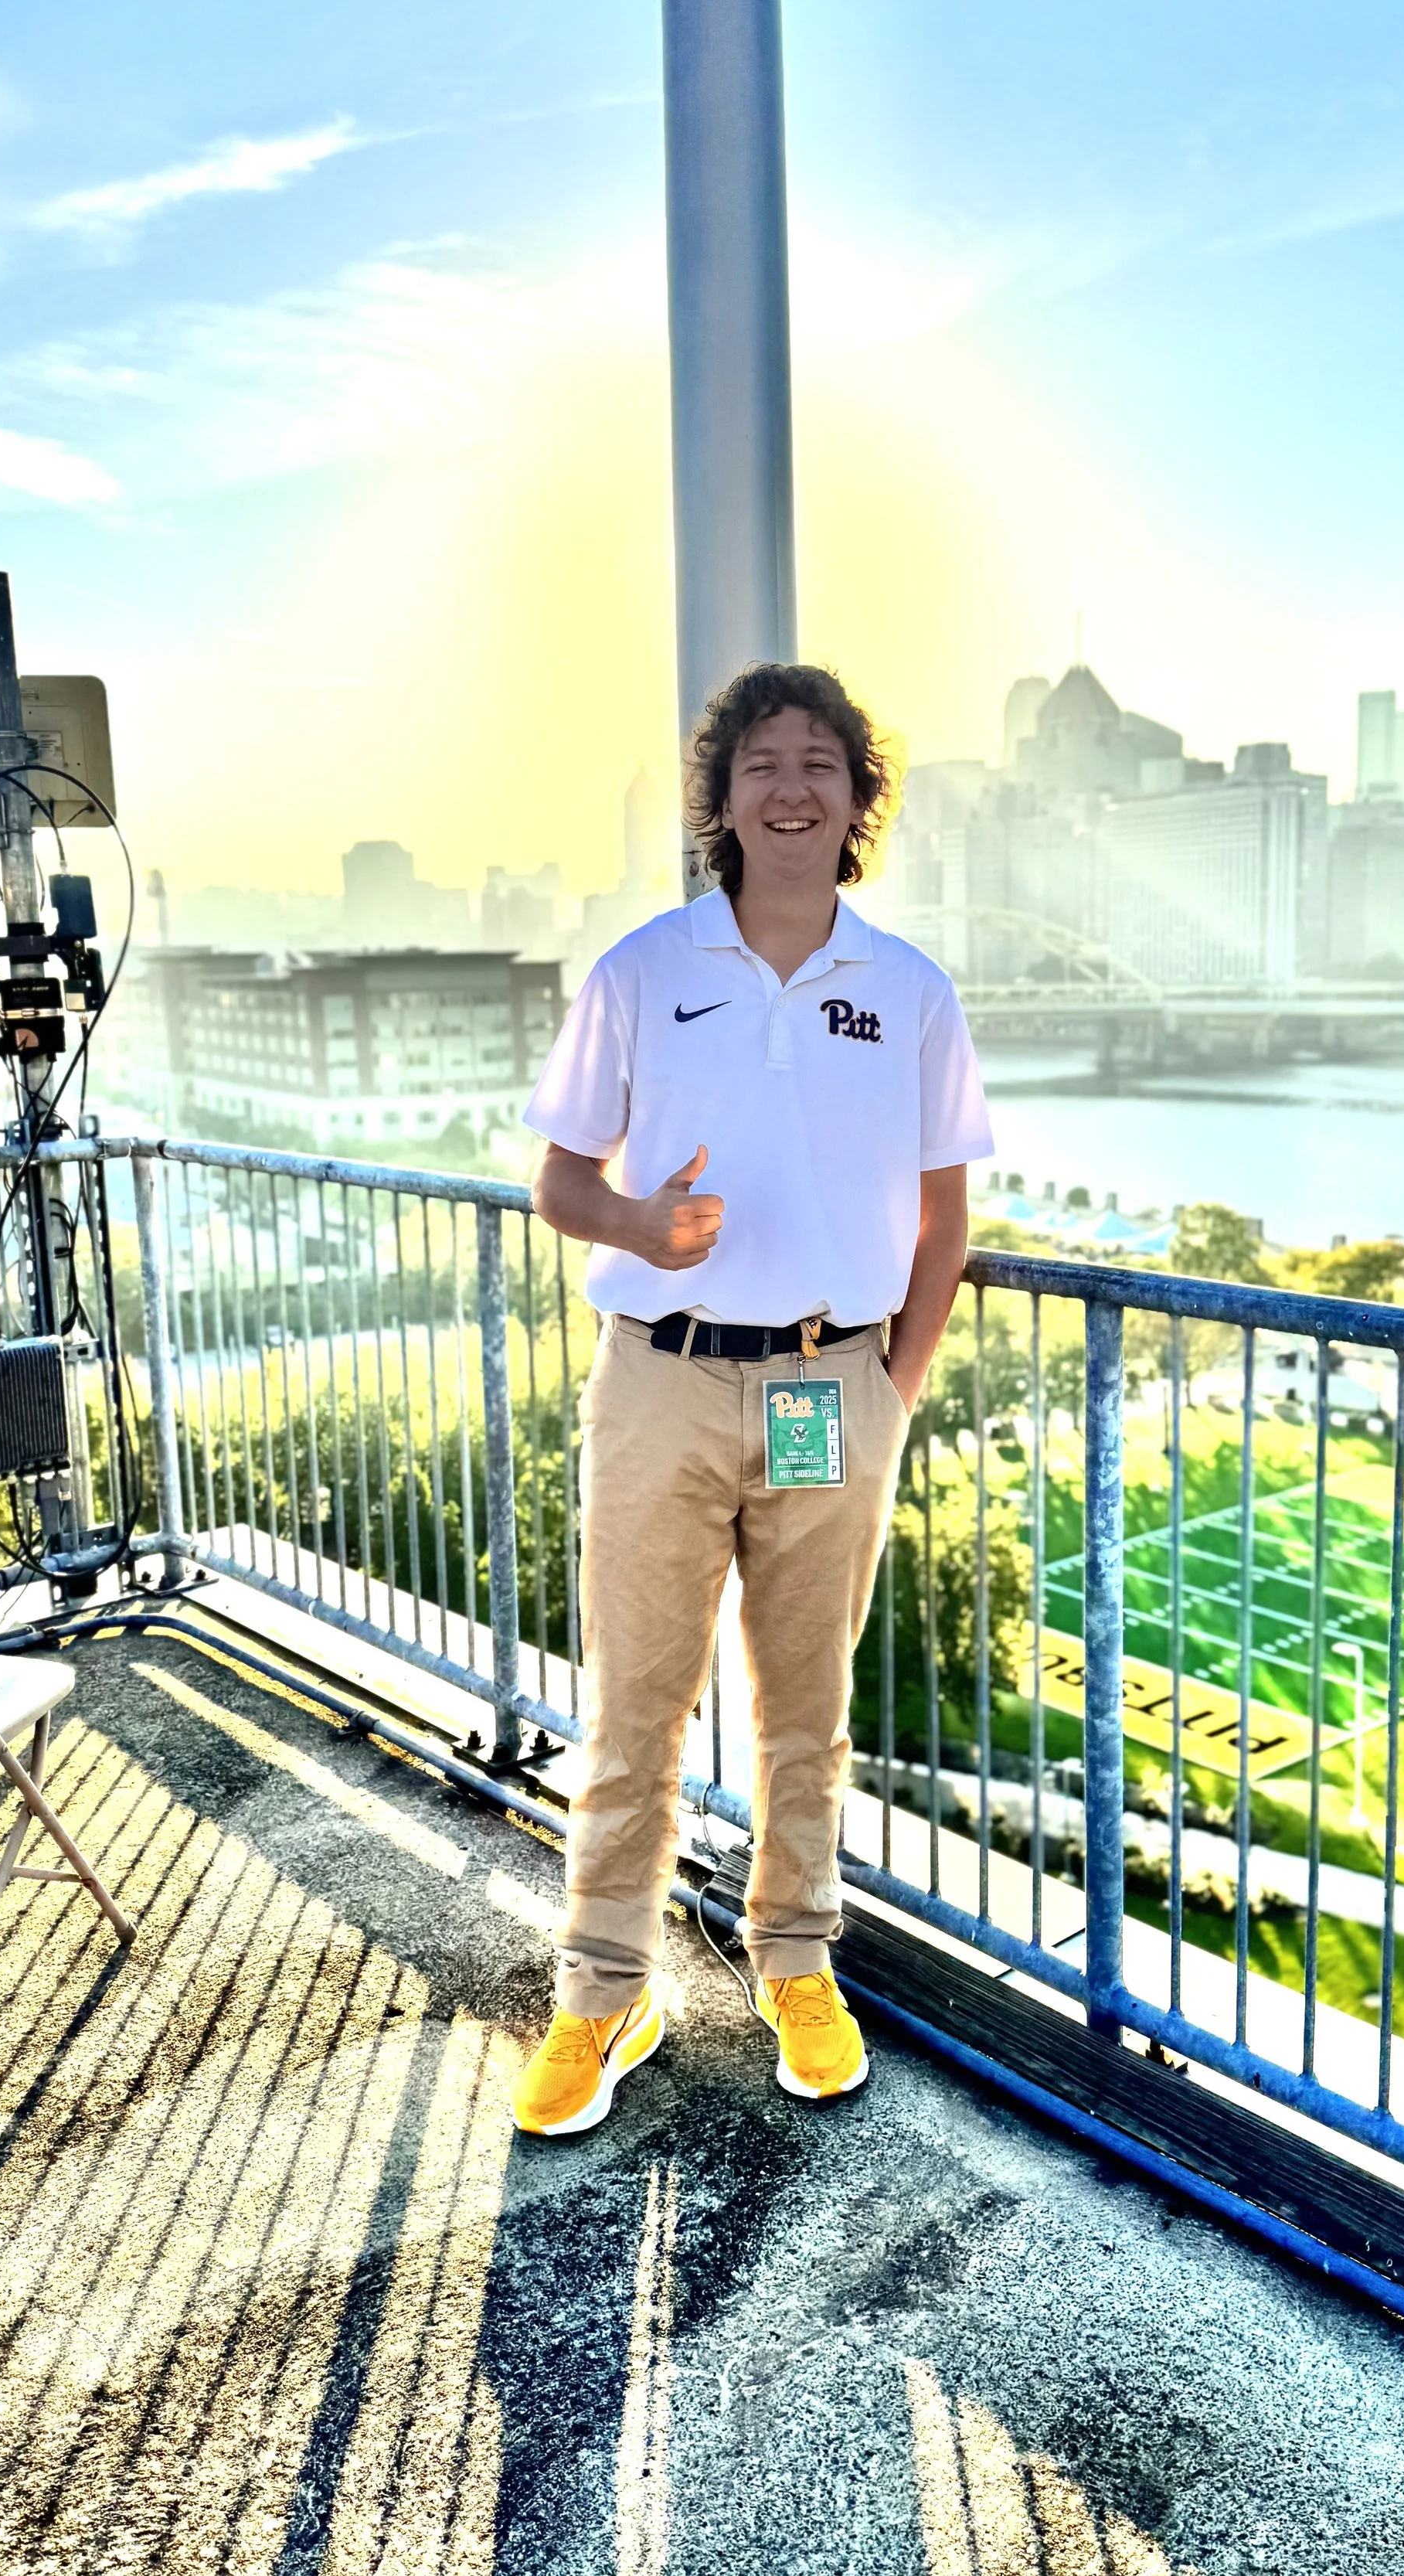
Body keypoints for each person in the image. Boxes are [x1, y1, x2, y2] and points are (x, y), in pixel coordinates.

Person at [509, 662, 993, 2137]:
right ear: (721, 800)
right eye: (764, 765)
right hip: (663, 1383)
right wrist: (642, 1230)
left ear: (858, 801)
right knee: (638, 1704)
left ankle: (796, 1961)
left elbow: (944, 1221)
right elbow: (558, 1181)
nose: (793, 788)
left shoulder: (908, 994)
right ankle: (603, 1994)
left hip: (827, 1389)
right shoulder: (646, 971)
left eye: (823, 766)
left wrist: (887, 1392)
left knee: (808, 1706)